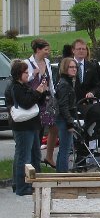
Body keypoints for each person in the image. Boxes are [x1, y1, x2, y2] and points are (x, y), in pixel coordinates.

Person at [6, 60, 48, 195]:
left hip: (32, 125)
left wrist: (42, 91)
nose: (28, 74)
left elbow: (35, 100)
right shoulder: (15, 87)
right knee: (24, 157)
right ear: (19, 74)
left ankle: (32, 183)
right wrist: (37, 92)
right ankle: (22, 186)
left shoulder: (24, 85)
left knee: (34, 154)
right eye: (25, 72)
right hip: (23, 126)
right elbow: (26, 103)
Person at [27, 38, 58, 168]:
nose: (48, 52)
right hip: (35, 99)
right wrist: (33, 75)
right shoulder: (28, 63)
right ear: (38, 49)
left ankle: (49, 156)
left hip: (47, 98)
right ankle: (33, 160)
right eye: (45, 49)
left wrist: (54, 94)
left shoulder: (47, 62)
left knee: (54, 125)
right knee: (37, 129)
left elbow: (50, 81)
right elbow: (24, 80)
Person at [54, 58, 79, 172]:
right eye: (71, 67)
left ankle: (60, 174)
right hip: (63, 118)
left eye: (75, 67)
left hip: (65, 117)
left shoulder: (67, 81)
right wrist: (70, 122)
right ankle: (62, 174)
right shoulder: (64, 83)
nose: (74, 69)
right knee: (65, 149)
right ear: (65, 68)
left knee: (64, 148)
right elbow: (63, 105)